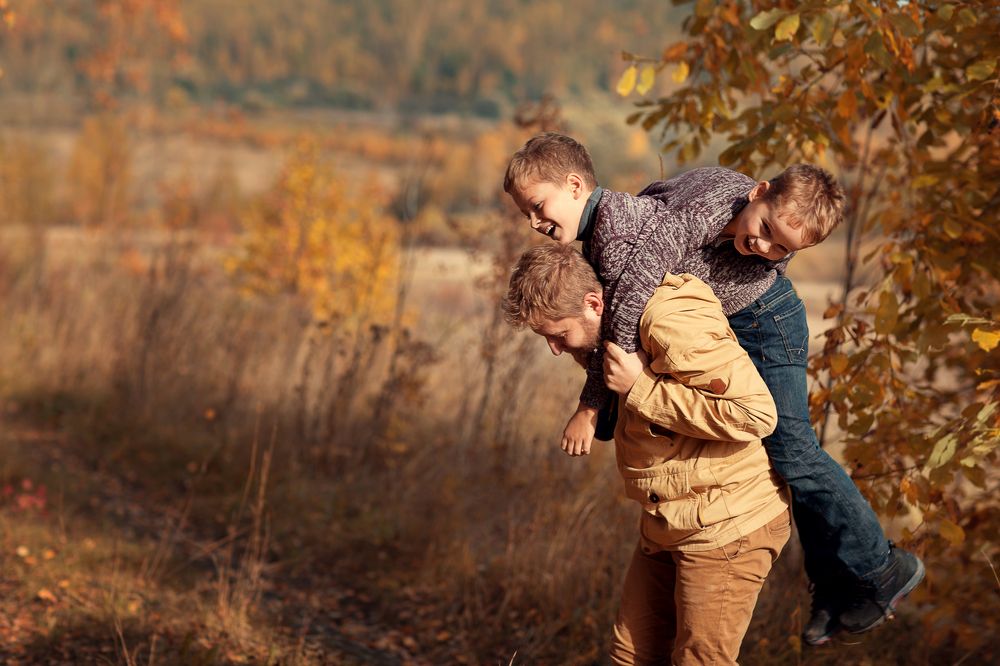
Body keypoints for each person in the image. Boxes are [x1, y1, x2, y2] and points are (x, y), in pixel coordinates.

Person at [502, 133, 924, 644]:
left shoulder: (733, 239)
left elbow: (632, 294)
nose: (765, 248)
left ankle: (877, 570)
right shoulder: (702, 205)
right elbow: (645, 250)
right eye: (765, 230)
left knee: (791, 449)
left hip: (769, 322)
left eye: (782, 247)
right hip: (735, 320)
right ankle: (838, 584)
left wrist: (594, 403)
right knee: (780, 454)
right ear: (758, 192)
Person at [503, 244, 791, 664]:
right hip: (666, 522)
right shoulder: (609, 336)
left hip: (728, 521)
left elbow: (755, 415)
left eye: (558, 335)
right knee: (630, 655)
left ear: (594, 303)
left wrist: (642, 390)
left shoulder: (670, 321)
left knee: (699, 660)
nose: (554, 349)